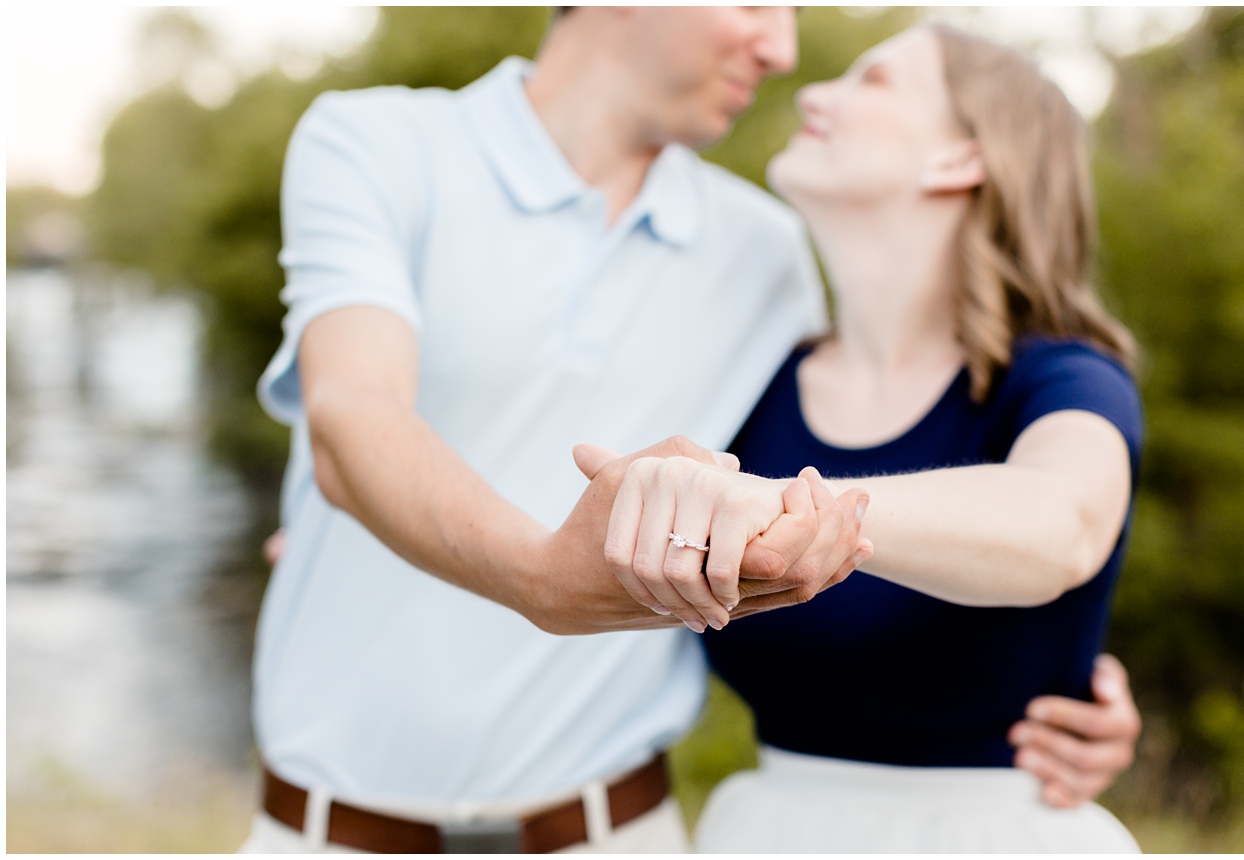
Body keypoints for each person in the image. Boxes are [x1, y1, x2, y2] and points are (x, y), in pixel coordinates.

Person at [243, 8, 1136, 853]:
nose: (786, 55)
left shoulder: (766, 257)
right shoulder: (375, 143)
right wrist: (383, 517)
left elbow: (1032, 512)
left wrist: (1059, 667)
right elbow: (355, 420)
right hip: (327, 831)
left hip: (624, 832)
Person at [573, 25, 1145, 852]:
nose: (810, 92)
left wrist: (775, 504)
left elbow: (1063, 523)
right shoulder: (749, 376)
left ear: (959, 159)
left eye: (871, 81)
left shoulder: (1064, 378)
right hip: (767, 832)